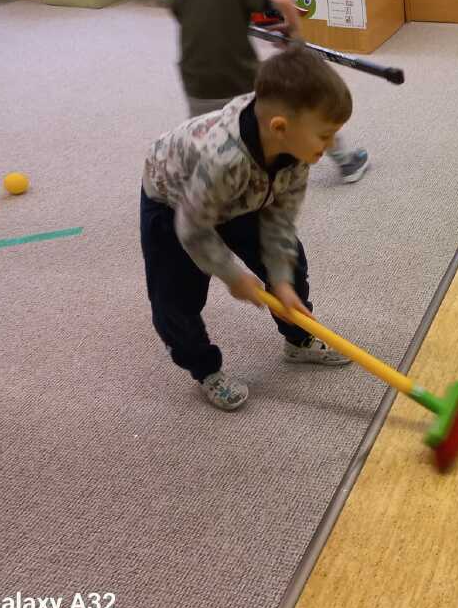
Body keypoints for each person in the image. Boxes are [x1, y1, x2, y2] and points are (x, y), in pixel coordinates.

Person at [140, 45, 355, 411]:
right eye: (325, 135)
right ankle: (205, 369)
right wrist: (232, 275)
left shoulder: (297, 153)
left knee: (290, 264)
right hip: (176, 202)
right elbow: (192, 228)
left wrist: (281, 281)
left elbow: (280, 220)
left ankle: (298, 340)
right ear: (280, 128)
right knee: (176, 299)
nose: (331, 145)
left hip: (246, 194)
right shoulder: (223, 158)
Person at [168, 0, 370, 183]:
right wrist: (294, 31)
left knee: (208, 133)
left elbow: (180, 11)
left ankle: (209, 180)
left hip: (195, 81)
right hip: (239, 77)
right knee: (297, 103)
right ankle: (346, 161)